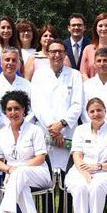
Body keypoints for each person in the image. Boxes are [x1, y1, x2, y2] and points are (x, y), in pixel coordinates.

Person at [0, 91, 53, 213]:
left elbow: (40, 158)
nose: (13, 112)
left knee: (20, 174)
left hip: (38, 173)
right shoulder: (1, 134)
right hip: (15, 176)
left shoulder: (35, 130)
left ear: (24, 110)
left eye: (17, 108)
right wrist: (10, 170)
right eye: (9, 109)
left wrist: (18, 168)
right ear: (5, 111)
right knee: (22, 189)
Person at [29, 39, 83, 170]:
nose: (57, 55)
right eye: (53, 51)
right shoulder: (39, 74)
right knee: (47, 172)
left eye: (60, 51)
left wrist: (62, 124)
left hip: (68, 132)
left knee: (69, 174)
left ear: (65, 54)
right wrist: (54, 129)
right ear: (47, 54)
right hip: (47, 132)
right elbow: (37, 104)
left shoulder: (74, 75)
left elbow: (77, 104)